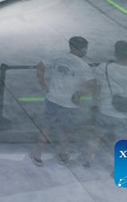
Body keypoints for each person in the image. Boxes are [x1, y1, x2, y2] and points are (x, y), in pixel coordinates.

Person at [30, 36, 94, 166]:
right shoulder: (83, 66)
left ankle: (37, 155)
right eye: (85, 49)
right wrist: (80, 93)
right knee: (65, 131)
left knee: (46, 128)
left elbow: (40, 67)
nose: (86, 52)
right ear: (81, 49)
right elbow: (92, 85)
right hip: (70, 104)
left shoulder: (57, 57)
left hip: (52, 100)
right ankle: (63, 155)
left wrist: (43, 86)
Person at [82, 41, 127, 169]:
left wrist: (95, 103)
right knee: (122, 142)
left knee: (96, 136)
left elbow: (95, 86)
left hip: (104, 110)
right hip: (125, 115)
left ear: (115, 53)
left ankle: (88, 160)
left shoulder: (103, 67)